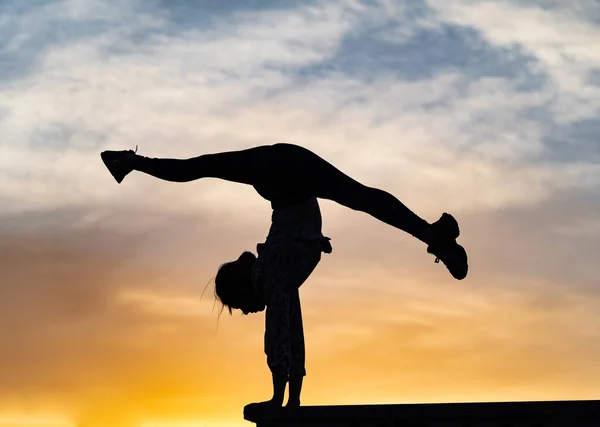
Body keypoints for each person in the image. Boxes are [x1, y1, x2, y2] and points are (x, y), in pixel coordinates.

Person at [100, 143, 468, 410]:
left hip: (284, 173)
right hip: (284, 176)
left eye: (239, 306)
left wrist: (280, 400)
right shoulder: (273, 269)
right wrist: (292, 400)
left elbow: (280, 334)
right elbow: (292, 330)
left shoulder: (273, 274)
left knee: (200, 167)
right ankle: (129, 161)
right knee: (358, 197)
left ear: (245, 288)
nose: (245, 313)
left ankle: (130, 161)